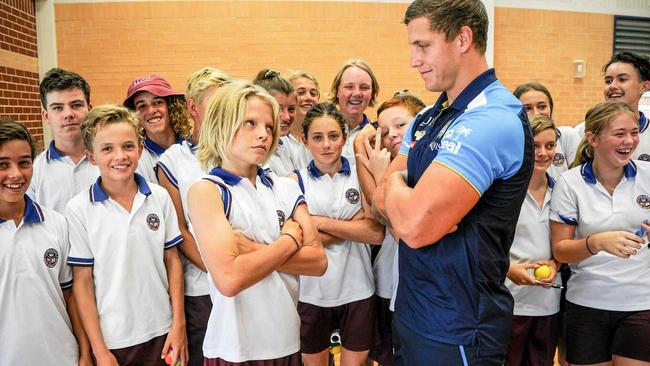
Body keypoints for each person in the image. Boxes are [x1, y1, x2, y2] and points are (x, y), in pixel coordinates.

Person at [375, 1, 533, 364]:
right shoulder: (429, 117)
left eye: (423, 45)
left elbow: (412, 227)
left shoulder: (493, 118)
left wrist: (399, 189)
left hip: (459, 326)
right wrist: (404, 195)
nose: (414, 60)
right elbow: (381, 203)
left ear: (463, 38)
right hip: (414, 312)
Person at [187, 80, 327, 365]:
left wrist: (249, 250)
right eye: (250, 123)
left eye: (268, 127)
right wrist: (289, 241)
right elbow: (230, 279)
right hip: (235, 348)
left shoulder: (284, 187)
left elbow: (318, 262)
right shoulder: (207, 191)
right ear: (221, 124)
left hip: (286, 339)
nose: (263, 134)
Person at [66, 105, 188, 365]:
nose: (120, 156)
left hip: (163, 331)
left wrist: (178, 325)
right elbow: (83, 284)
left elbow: (173, 262)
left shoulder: (160, 197)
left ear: (140, 149)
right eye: (107, 149)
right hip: (115, 340)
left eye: (128, 146)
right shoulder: (78, 209)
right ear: (91, 156)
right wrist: (99, 350)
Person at [550, 101, 650, 366]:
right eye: (619, 134)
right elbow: (560, 250)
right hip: (586, 303)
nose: (629, 141)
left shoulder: (648, 176)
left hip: (641, 303)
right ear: (593, 138)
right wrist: (596, 243)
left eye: (634, 132)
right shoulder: (569, 182)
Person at [289, 102, 384, 366]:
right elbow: (295, 244)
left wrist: (317, 222)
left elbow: (376, 234)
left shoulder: (359, 175)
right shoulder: (293, 181)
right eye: (317, 138)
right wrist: (353, 226)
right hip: (311, 293)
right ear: (305, 141)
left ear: (344, 137)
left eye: (333, 136)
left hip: (357, 288)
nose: (326, 145)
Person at [0, 119, 91, 365]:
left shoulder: (56, 223)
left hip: (63, 357)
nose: (16, 174)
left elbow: (70, 295)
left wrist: (84, 353)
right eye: (3, 164)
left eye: (24, 163)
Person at [156, 67, 231, 366]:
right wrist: (223, 271)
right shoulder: (173, 161)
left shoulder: (237, 153)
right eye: (215, 104)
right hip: (202, 288)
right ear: (192, 107)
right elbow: (180, 231)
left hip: (246, 282)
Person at [354, 92, 426, 366]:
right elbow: (375, 210)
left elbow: (403, 230)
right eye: (384, 132)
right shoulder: (390, 170)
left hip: (425, 296)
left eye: (400, 125)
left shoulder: (428, 171)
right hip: (394, 288)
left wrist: (381, 172)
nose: (392, 135)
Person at [504, 115, 561, 366]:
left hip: (548, 306)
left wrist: (556, 264)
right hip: (509, 304)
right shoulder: (504, 192)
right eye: (535, 146)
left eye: (549, 146)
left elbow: (567, 243)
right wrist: (509, 269)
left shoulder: (562, 190)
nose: (542, 153)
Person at [29, 68, 98, 213]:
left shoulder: (113, 162)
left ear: (90, 110)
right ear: (46, 116)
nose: (68, 114)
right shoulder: (33, 171)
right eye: (58, 108)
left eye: (76, 105)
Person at [574, 51, 650, 161]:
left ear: (644, 87)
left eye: (622, 79)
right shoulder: (582, 131)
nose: (612, 86)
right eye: (608, 81)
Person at [124, 74, 193, 182]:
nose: (151, 111)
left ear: (171, 106)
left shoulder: (194, 145)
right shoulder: (137, 160)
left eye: (157, 102)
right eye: (142, 106)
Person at [513, 82, 580, 180]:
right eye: (527, 108)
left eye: (542, 106)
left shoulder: (567, 136)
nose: (536, 113)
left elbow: (580, 180)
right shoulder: (510, 145)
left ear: (550, 108)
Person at [328, 59, 380, 165]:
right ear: (336, 91)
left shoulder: (378, 135)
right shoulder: (320, 132)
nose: (357, 93)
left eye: (364, 87)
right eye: (349, 87)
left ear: (372, 94)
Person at [254, 69, 301, 176]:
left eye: (291, 109)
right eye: (278, 109)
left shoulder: (284, 143)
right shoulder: (254, 150)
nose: (286, 117)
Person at [288, 70, 321, 168]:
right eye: (301, 93)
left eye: (313, 94)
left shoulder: (324, 137)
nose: (308, 98)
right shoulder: (278, 138)